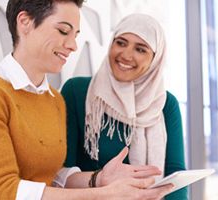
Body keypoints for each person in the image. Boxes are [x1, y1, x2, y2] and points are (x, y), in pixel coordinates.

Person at [0, 0, 173, 199]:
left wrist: (99, 179)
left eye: (75, 35)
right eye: (64, 31)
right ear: (25, 22)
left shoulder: (53, 100)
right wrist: (102, 195)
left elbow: (51, 176)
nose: (72, 45)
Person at [61, 13, 188, 200]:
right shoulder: (77, 91)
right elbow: (61, 174)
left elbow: (174, 179)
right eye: (120, 43)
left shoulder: (166, 103)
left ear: (155, 59)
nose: (126, 55)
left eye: (141, 49)